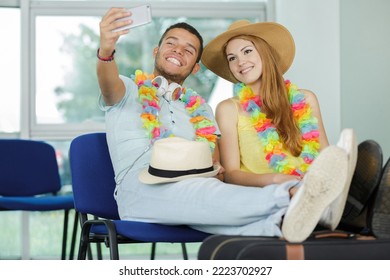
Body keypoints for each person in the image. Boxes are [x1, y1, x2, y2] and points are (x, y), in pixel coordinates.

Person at [96, 7, 352, 243]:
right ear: (156, 51)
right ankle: (296, 197)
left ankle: (286, 220)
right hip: (141, 189)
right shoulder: (125, 90)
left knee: (212, 194)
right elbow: (107, 82)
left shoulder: (201, 110)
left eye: (188, 50)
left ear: (195, 67)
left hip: (196, 184)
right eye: (171, 44)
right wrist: (106, 50)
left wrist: (218, 171)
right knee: (204, 193)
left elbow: (216, 168)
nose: (177, 51)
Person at [201, 20, 361, 232]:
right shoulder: (228, 109)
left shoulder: (306, 99)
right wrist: (279, 180)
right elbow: (231, 173)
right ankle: (312, 209)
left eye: (247, 51)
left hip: (310, 185)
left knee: (337, 165)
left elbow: (324, 156)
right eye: (232, 58)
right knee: (288, 193)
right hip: (265, 194)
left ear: (265, 53)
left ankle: (336, 201)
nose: (240, 61)